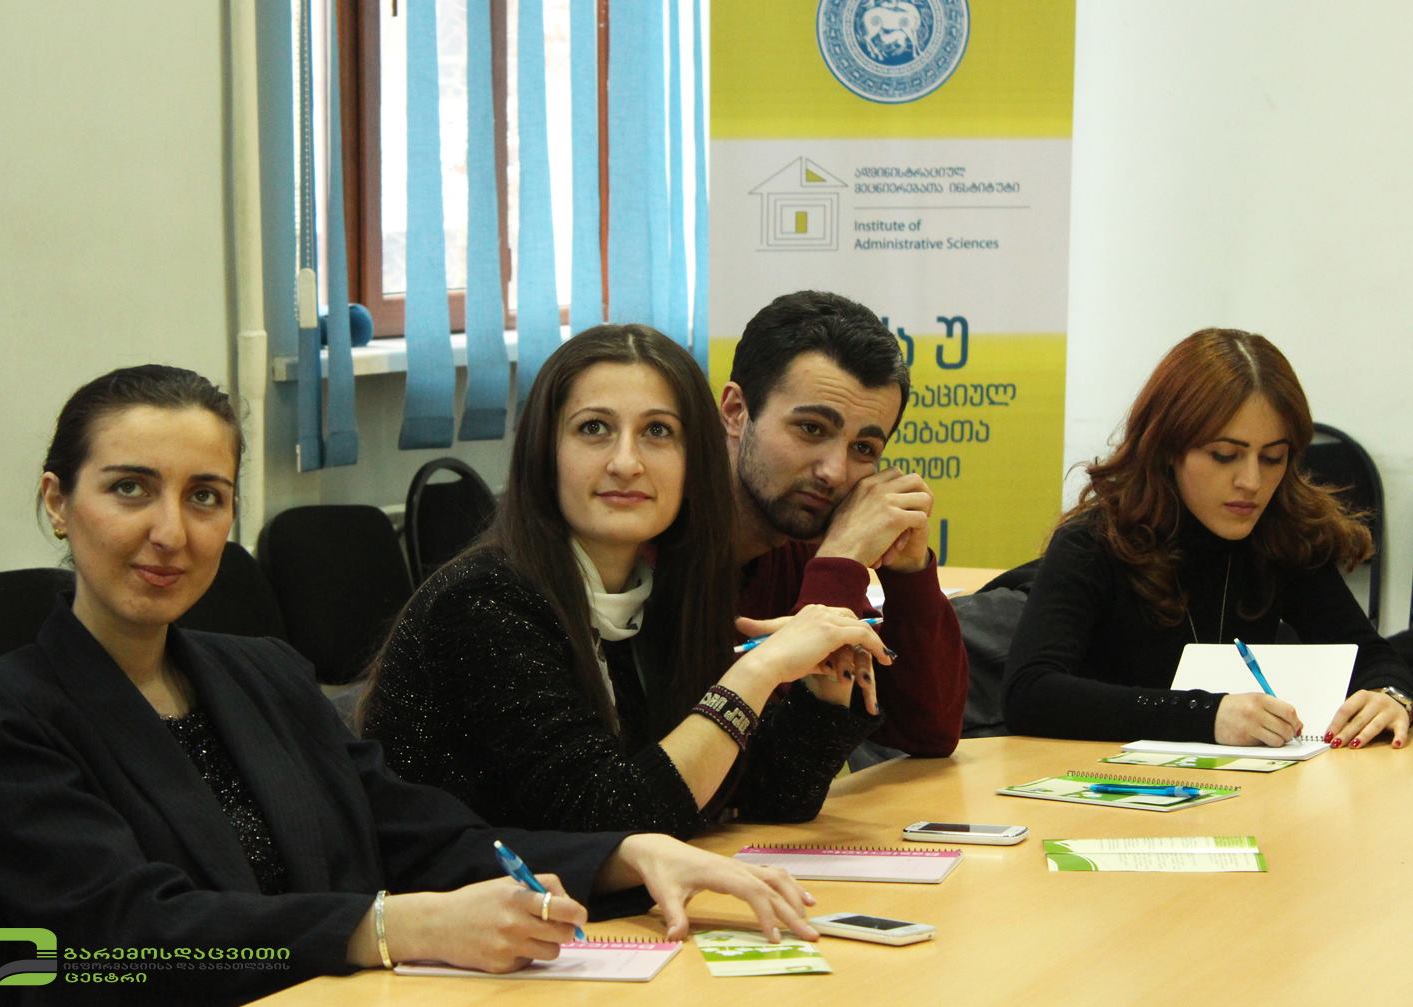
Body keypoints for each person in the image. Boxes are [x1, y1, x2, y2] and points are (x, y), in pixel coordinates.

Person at [0, 365, 822, 1005]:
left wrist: (631, 852)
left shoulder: (262, 672)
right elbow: (120, 936)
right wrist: (393, 927)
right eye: (130, 489)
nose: (171, 530)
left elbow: (418, 832)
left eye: (205, 496)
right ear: (58, 501)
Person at [362, 325, 891, 839]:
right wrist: (758, 672)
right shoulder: (483, 603)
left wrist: (823, 689)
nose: (625, 463)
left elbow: (758, 798)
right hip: (461, 900)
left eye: (658, 432)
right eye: (594, 428)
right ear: (545, 452)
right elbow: (606, 822)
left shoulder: (658, 591)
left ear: (695, 462)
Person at [1004, 328, 1413, 748]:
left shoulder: (1280, 535)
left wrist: (1389, 695)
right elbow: (1029, 692)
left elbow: (1371, 655)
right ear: (1167, 447)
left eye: (1273, 458)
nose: (1251, 481)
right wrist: (1206, 715)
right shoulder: (1093, 543)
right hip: (1097, 778)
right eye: (1224, 455)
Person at [720, 291, 969, 760]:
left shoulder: (808, 545)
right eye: (812, 428)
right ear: (736, 412)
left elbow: (928, 731)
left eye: (864, 449)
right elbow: (761, 766)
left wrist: (909, 573)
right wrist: (838, 564)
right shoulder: (650, 541)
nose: (834, 472)